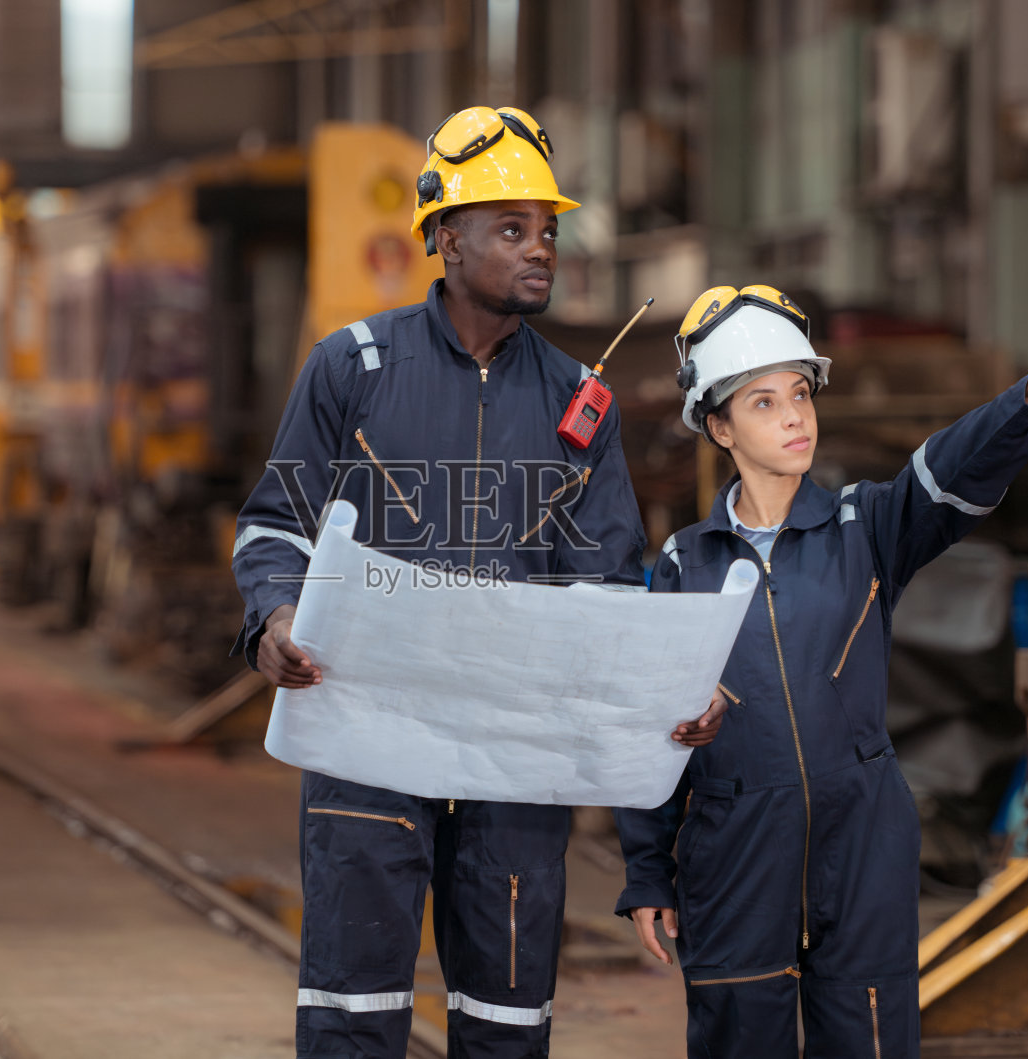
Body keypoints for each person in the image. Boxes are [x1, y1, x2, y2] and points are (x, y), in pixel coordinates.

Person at [232, 105, 712, 1058]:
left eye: (548, 231)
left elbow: (609, 583)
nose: (542, 250)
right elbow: (273, 524)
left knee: (505, 1022)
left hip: (515, 758)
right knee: (352, 1015)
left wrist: (654, 692)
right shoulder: (352, 368)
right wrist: (276, 616)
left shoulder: (580, 403)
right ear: (445, 238)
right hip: (366, 734)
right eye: (512, 228)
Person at [613, 284, 1028, 1059]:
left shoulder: (863, 528)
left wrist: (1025, 401)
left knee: (870, 1039)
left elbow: (947, 470)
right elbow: (647, 731)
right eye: (764, 402)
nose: (795, 416)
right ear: (719, 426)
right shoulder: (682, 566)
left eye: (800, 394)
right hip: (735, 851)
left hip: (862, 839)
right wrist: (646, 872)